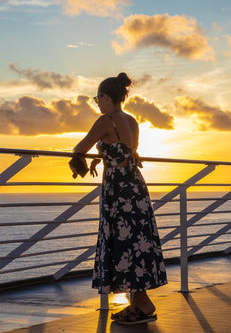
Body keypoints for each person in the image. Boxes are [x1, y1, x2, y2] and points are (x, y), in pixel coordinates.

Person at [71, 72, 167, 325]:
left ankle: (143, 305)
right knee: (136, 242)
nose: (97, 103)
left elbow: (79, 147)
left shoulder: (106, 120)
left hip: (117, 190)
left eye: (97, 98)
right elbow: (125, 151)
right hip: (135, 186)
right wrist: (100, 156)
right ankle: (139, 305)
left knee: (123, 244)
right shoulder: (132, 120)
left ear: (105, 97)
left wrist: (82, 158)